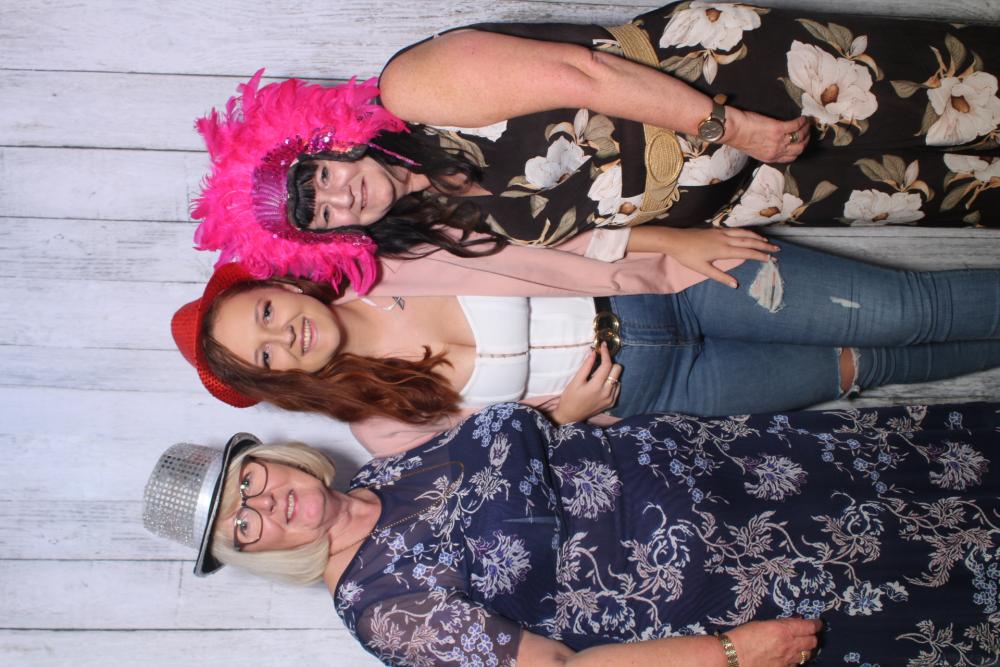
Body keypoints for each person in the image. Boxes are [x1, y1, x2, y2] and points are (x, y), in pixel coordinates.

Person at [189, 2, 1000, 294]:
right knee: (958, 189)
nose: (338, 196)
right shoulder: (431, 222)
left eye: (318, 178)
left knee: (956, 97)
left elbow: (580, 73)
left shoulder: (413, 93)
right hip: (751, 189)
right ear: (331, 238)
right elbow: (582, 238)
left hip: (730, 84)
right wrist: (678, 239)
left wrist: (730, 127)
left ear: (325, 146)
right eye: (319, 214)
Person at [142, 401, 1000, 665]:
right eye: (243, 524)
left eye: (249, 480)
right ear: (254, 553)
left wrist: (564, 412)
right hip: (751, 573)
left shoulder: (379, 471)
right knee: (948, 568)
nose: (267, 503)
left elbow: (507, 455)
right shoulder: (384, 609)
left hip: (746, 465)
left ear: (270, 457)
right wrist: (731, 653)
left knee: (953, 472)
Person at [171, 253, 1000, 455]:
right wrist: (562, 416)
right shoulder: (378, 426)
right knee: (861, 368)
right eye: (266, 356)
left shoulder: (389, 257)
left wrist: (671, 242)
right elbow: (499, 462)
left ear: (281, 284)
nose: (284, 334)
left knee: (903, 309)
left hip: (660, 283)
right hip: (663, 384)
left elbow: (536, 229)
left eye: (266, 312)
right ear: (280, 382)